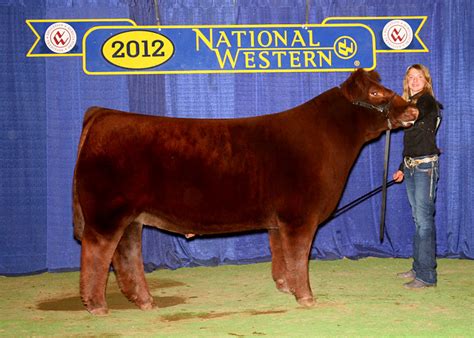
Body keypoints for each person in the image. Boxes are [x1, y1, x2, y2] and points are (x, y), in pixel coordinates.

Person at [393, 64, 442, 289]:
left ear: (426, 81)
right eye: (410, 77)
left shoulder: (427, 102)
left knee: (423, 222)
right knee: (418, 220)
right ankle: (418, 267)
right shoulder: (410, 104)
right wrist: (402, 166)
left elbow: (415, 115)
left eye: (418, 77)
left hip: (425, 167)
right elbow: (411, 142)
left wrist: (392, 114)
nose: (414, 81)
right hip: (412, 167)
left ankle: (427, 276)